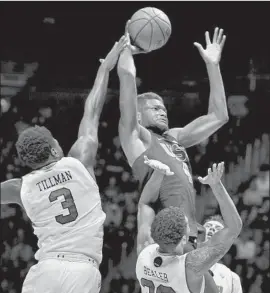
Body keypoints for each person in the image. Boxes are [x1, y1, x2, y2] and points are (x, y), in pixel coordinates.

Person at [0, 35, 128, 293]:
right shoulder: (79, 159)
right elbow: (92, 111)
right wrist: (105, 68)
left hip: (45, 269)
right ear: (54, 148)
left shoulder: (20, 187)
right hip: (82, 270)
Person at [117, 24, 228, 293]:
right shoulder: (136, 137)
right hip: (167, 242)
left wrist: (213, 65)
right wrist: (126, 52)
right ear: (140, 115)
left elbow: (218, 116)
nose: (163, 112)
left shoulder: (175, 137)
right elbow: (128, 87)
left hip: (190, 235)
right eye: (155, 108)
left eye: (164, 108)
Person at [136, 161, 242, 293]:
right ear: (184, 239)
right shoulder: (191, 266)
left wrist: (158, 174)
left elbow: (144, 204)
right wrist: (216, 186)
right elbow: (234, 228)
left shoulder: (145, 250)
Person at [202, 215, 243, 293]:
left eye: (218, 229)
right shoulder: (181, 266)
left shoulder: (232, 279)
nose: (212, 228)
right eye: (208, 226)